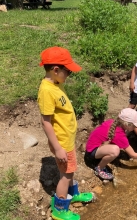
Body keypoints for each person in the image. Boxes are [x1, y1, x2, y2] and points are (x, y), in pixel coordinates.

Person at [37, 46, 93, 220]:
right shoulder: (46, 90)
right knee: (65, 175)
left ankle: (73, 194)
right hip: (61, 142)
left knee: (70, 170)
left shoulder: (56, 83)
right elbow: (45, 122)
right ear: (55, 70)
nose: (69, 74)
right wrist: (58, 148)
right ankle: (59, 210)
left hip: (67, 140)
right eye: (67, 71)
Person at [85, 108, 137, 180]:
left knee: (115, 148)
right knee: (115, 150)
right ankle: (99, 169)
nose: (135, 127)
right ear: (127, 125)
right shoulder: (119, 134)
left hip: (91, 146)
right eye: (134, 125)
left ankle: (103, 156)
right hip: (91, 152)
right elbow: (133, 154)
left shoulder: (113, 122)